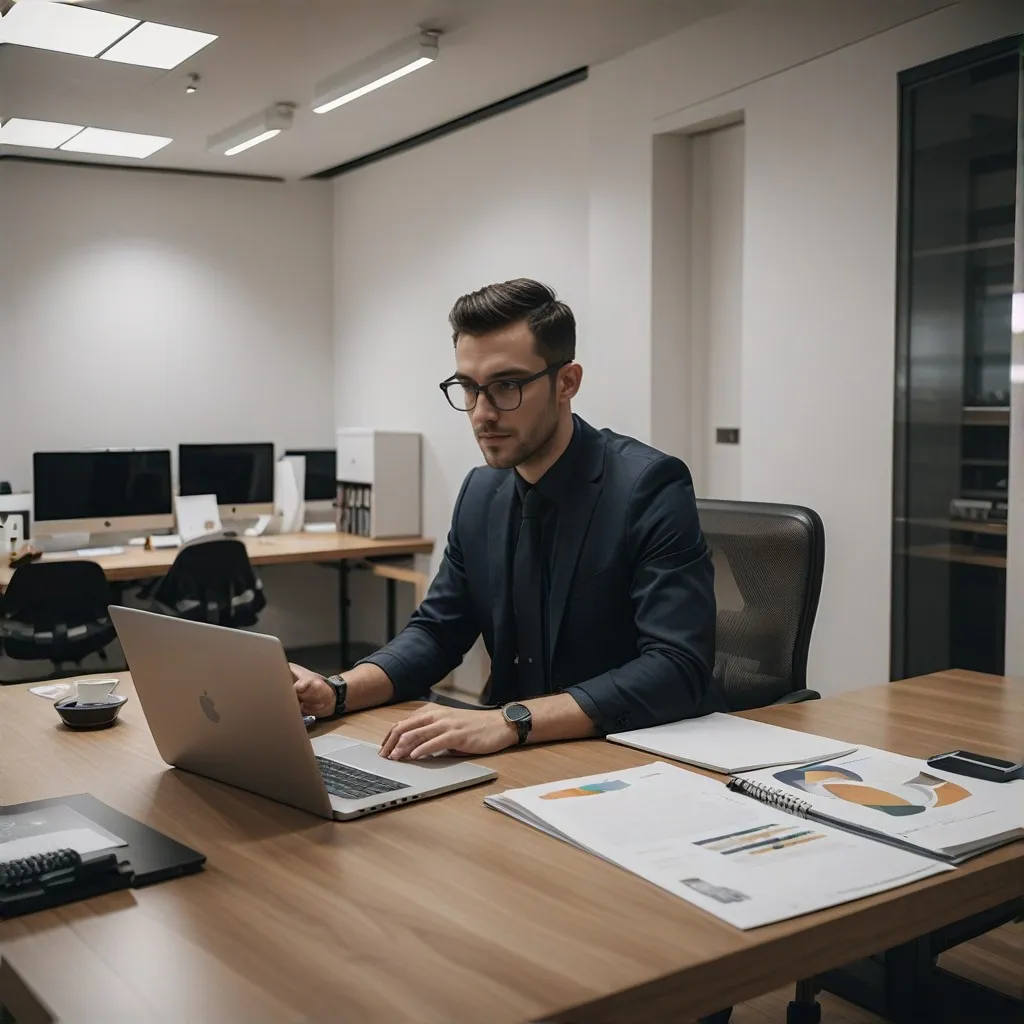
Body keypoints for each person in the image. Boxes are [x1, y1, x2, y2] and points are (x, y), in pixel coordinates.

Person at [292, 278, 721, 760]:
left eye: (506, 387)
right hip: (511, 755)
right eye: (468, 388)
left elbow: (676, 666)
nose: (481, 413)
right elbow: (437, 631)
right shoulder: (481, 492)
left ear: (567, 382)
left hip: (618, 754)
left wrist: (508, 720)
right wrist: (337, 690)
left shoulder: (648, 486)